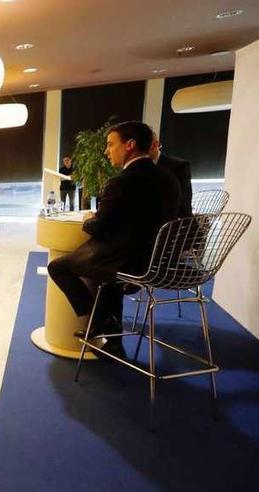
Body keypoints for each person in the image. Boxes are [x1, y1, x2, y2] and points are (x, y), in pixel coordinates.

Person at [47, 121, 180, 359]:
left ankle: (99, 322)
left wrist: (89, 218)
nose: (107, 151)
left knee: (58, 267)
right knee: (105, 280)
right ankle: (111, 338)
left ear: (129, 145)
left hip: (126, 262)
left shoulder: (122, 182)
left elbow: (99, 227)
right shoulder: (169, 178)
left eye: (110, 144)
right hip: (157, 260)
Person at [149, 132, 193, 218]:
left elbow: (182, 204)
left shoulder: (179, 167)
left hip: (175, 224)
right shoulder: (136, 169)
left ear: (155, 145)